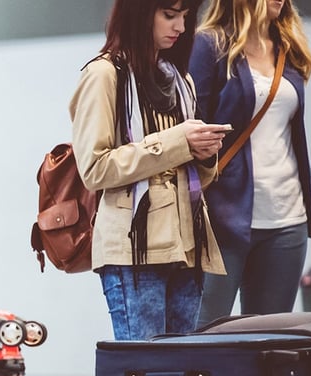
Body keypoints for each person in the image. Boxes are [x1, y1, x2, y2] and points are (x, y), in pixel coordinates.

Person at [69, 0, 227, 340]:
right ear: (140, 14)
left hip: (188, 245)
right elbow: (95, 169)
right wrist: (177, 142)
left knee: (182, 374)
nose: (181, 28)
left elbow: (194, 175)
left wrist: (204, 153)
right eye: (169, 16)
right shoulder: (104, 74)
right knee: (145, 373)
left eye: (184, 17)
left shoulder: (180, 78)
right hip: (133, 250)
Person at [190, 0, 311, 327]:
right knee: (205, 333)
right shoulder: (211, 44)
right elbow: (190, 125)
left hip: (287, 219)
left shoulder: (289, 49)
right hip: (224, 217)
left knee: (269, 344)